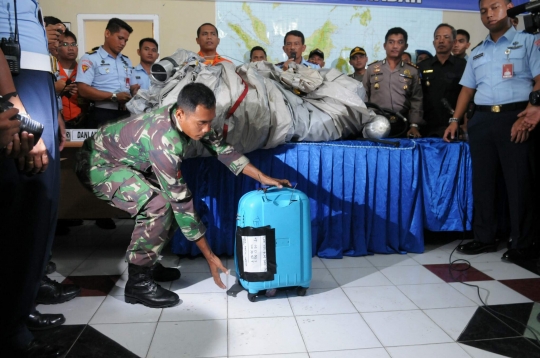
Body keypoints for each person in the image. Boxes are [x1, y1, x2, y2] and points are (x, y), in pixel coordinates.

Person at [75, 83, 290, 308]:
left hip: (126, 163)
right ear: (180, 114)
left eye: (210, 121)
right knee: (158, 206)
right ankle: (137, 283)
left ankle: (148, 260)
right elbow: (181, 203)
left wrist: (262, 177)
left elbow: (224, 150)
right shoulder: (164, 142)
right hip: (98, 164)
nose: (207, 129)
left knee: (165, 205)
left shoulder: (188, 116)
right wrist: (210, 256)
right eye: (202, 123)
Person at [443, 0, 540, 262]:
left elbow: (539, 78)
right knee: (483, 183)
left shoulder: (529, 42)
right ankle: (485, 238)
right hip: (482, 120)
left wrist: (534, 109)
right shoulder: (477, 52)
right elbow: (467, 89)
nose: (489, 14)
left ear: (509, 7)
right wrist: (455, 119)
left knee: (518, 182)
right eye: (484, 10)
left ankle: (522, 242)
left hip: (517, 116)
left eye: (494, 7)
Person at [0, 1, 69, 355]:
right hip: (15, 85)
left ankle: (20, 310)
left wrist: (54, 110)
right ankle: (10, 334)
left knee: (41, 207)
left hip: (34, 83)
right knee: (24, 201)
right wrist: (13, 104)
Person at [363, 27, 423, 138]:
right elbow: (364, 97)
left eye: (400, 42)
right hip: (376, 123)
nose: (395, 46)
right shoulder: (372, 69)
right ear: (385, 45)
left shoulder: (412, 71)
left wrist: (414, 125)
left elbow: (416, 99)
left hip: (402, 123)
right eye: (391, 42)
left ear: (405, 46)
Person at [76, 17, 134, 130]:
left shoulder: (126, 60)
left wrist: (134, 92)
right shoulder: (90, 58)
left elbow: (129, 87)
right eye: (120, 38)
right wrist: (114, 97)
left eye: (126, 41)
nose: (123, 43)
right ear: (107, 33)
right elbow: (83, 90)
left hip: (125, 113)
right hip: (102, 113)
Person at [418, 23, 467, 137]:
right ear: (433, 43)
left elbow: (469, 96)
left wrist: (465, 124)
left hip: (454, 124)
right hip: (427, 126)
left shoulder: (463, 65)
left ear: (454, 42)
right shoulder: (422, 66)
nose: (441, 41)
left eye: (446, 37)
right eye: (437, 37)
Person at [56, 30, 81, 127]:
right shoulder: (52, 70)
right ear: (57, 48)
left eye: (73, 44)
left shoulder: (85, 71)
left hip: (81, 121)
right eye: (65, 44)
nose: (71, 48)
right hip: (58, 121)